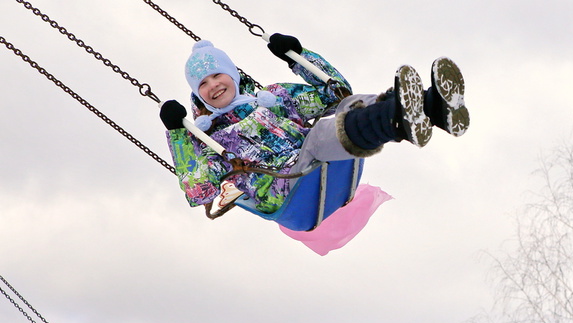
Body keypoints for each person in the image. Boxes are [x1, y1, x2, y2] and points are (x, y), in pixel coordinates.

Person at [159, 33, 469, 223]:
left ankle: (432, 107)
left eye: (217, 75)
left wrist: (299, 57)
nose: (213, 86)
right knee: (322, 133)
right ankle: (399, 118)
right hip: (286, 188)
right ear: (198, 93)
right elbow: (197, 192)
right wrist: (178, 135)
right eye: (203, 83)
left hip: (321, 161)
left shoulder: (272, 98)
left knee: (350, 106)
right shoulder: (209, 139)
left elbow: (335, 92)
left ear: (232, 74)